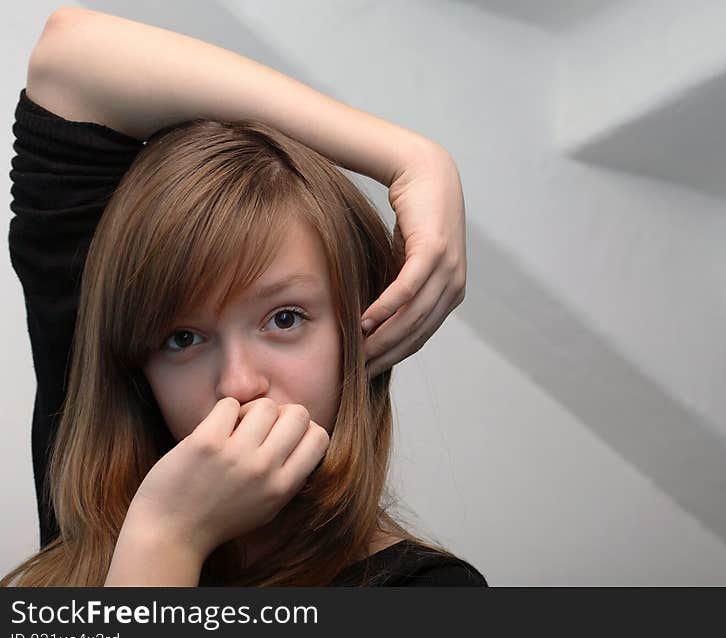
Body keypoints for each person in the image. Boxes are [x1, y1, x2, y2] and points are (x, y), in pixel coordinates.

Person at [2, 7, 484, 587]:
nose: (237, 384)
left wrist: (165, 538)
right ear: (136, 369)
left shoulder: (425, 594)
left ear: (358, 326)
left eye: (284, 319)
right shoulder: (100, 463)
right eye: (182, 338)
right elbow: (70, 57)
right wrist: (409, 158)